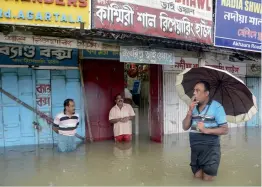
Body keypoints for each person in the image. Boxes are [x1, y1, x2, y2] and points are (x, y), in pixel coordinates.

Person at [182, 80, 228, 181]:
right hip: (195, 150)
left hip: (210, 150)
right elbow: (185, 127)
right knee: (197, 178)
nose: (194, 93)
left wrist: (206, 130)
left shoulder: (217, 107)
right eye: (194, 90)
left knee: (207, 180)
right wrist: (189, 112)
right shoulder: (193, 107)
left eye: (198, 90)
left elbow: (225, 130)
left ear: (206, 93)